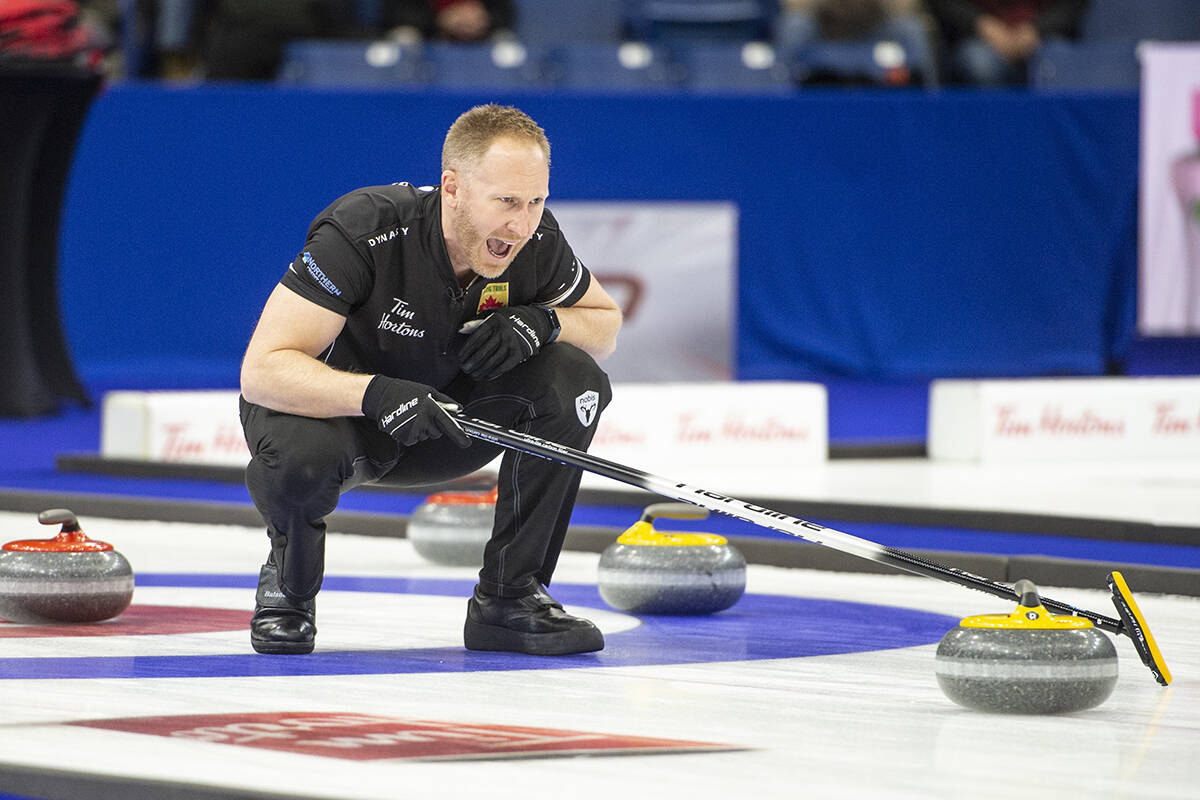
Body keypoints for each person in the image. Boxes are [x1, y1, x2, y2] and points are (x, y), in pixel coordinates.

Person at [239, 104, 622, 657]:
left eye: (537, 201)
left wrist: (545, 321)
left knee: (577, 379)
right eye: (507, 202)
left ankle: (509, 599)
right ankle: (289, 591)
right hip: (338, 418)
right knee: (300, 458)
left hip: (446, 423)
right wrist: (376, 393)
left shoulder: (535, 243)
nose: (522, 224)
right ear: (453, 188)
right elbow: (264, 369)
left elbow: (605, 325)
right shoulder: (365, 229)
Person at [925, 0, 1086, 86]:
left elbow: (1070, 6)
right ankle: (994, 133)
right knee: (978, 62)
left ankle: (1051, 138)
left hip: (1041, 38)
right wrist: (982, 25)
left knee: (1060, 58)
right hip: (979, 38)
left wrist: (1036, 30)